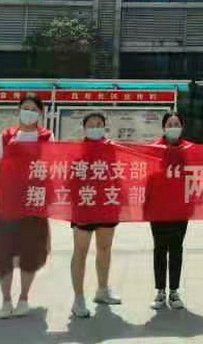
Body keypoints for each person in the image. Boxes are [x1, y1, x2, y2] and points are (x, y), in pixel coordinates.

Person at [0, 93, 54, 319]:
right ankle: (6, 300)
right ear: (19, 110)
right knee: (3, 251)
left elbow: (52, 166)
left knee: (30, 251)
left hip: (34, 201)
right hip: (7, 200)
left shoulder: (47, 137)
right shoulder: (6, 136)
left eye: (34, 109)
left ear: (40, 113)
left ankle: (24, 298)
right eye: (26, 108)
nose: (29, 113)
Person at [69, 112, 121, 319]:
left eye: (99, 124)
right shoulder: (76, 150)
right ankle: (78, 298)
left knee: (104, 248)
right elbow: (69, 178)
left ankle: (102, 290)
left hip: (107, 203)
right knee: (80, 251)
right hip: (84, 205)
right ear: (84, 129)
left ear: (105, 127)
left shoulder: (112, 148)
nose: (95, 128)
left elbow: (118, 173)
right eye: (91, 125)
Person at [149, 111, 193, 311]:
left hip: (180, 207)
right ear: (163, 127)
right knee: (159, 248)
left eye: (177, 124)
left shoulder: (189, 149)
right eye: (170, 124)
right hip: (158, 207)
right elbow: (148, 177)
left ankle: (174, 291)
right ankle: (160, 291)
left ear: (182, 127)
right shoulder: (153, 149)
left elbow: (195, 176)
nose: (173, 127)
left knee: (176, 248)